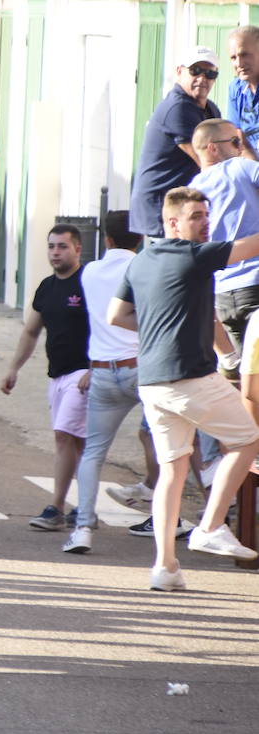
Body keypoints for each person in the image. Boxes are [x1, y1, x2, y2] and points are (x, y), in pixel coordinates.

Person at [108, 186, 259, 589]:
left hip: (153, 384)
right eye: (196, 217)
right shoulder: (196, 256)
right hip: (188, 378)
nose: (205, 222)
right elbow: (252, 247)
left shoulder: (141, 263)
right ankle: (210, 525)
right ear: (172, 223)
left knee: (173, 470)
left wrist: (164, 328)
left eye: (206, 215)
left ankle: (165, 567)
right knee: (247, 440)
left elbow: (116, 314)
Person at [62, 211, 170, 555]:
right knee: (167, 443)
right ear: (140, 238)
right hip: (142, 367)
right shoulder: (143, 267)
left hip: (103, 371)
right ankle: (169, 516)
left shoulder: (90, 271)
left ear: (105, 238)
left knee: (93, 452)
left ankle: (82, 528)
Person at [0, 226, 91, 532]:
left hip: (83, 374)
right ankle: (85, 506)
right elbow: (31, 331)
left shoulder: (89, 284)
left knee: (63, 436)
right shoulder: (46, 288)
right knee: (77, 443)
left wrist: (97, 369)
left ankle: (57, 508)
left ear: (78, 249)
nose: (55, 252)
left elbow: (109, 327)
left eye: (62, 246)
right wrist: (13, 368)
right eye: (51, 246)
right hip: (57, 376)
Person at [189, 117, 259, 427]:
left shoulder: (192, 191)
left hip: (219, 295)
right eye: (236, 142)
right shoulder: (241, 168)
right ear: (215, 149)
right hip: (254, 285)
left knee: (240, 373)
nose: (241, 147)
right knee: (252, 380)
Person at [129, 46, 223, 238]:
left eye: (210, 73)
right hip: (162, 211)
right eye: (195, 70)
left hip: (184, 209)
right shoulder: (177, 108)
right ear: (179, 72)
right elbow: (206, 161)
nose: (203, 78)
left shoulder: (210, 109)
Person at [225, 25, 259, 154]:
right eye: (233, 57)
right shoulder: (236, 88)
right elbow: (236, 139)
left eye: (244, 55)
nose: (239, 63)